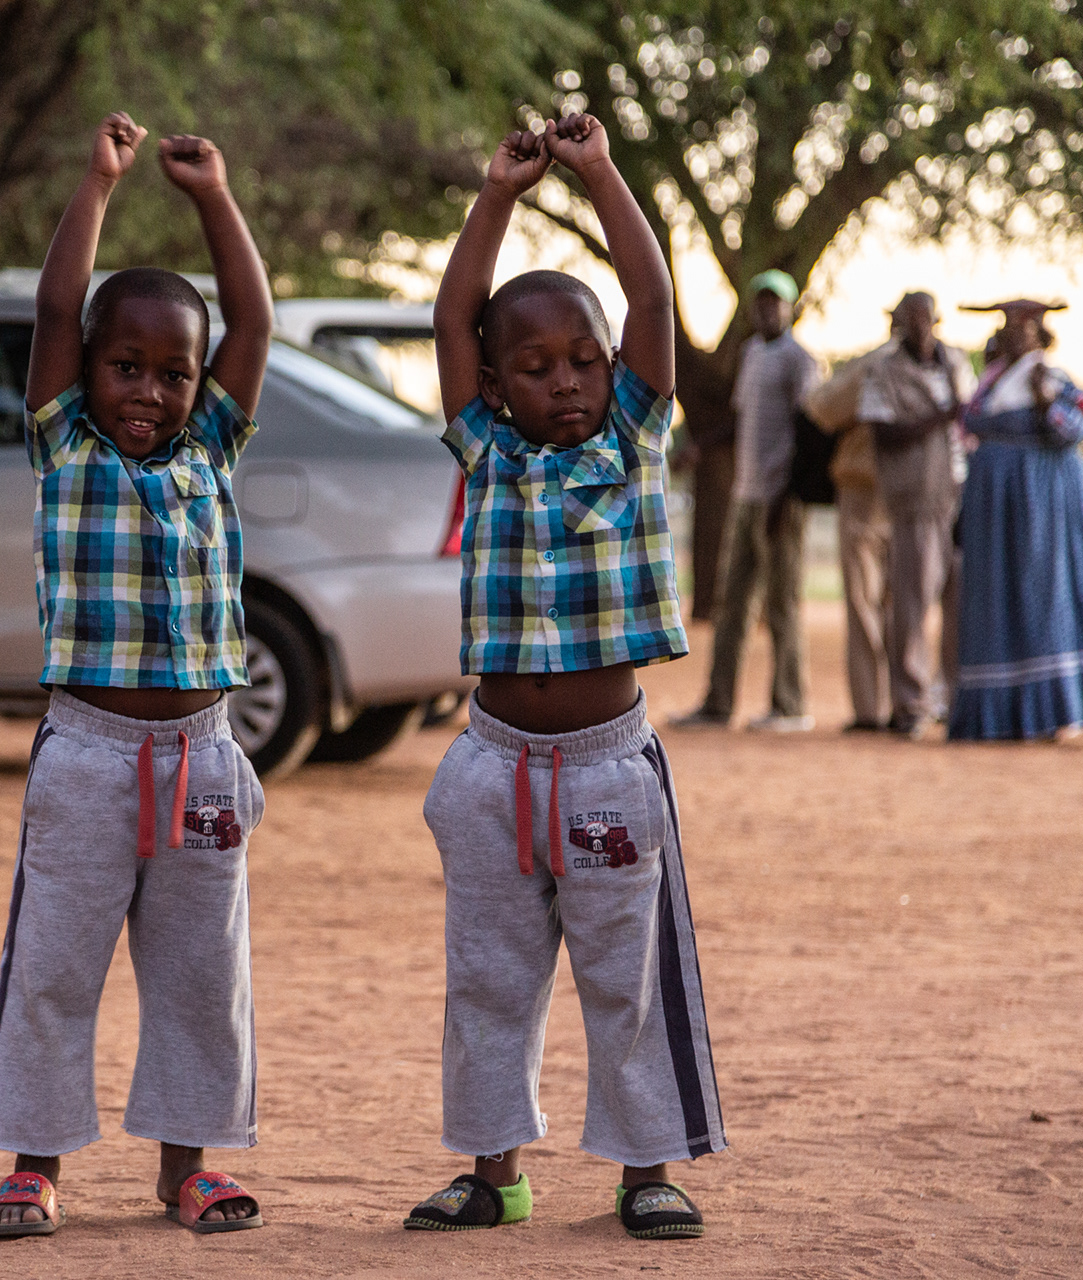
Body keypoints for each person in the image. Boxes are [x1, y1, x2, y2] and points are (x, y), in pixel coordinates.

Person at [404, 113, 724, 1241]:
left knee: (625, 977)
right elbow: (451, 314)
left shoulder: (633, 441)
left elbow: (652, 298)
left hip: (606, 767)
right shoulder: (484, 448)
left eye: (584, 360)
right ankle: (493, 1173)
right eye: (535, 368)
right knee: (489, 976)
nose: (568, 382)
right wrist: (496, 194)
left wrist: (598, 173)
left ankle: (647, 1171)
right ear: (494, 384)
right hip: (491, 765)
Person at [0, 112, 274, 1237]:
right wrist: (97, 184)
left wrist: (214, 197)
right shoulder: (64, 446)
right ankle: (34, 1164)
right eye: (125, 367)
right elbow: (56, 309)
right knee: (55, 967)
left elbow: (254, 319)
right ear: (88, 371)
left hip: (202, 756)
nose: (147, 390)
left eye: (173, 373)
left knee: (200, 974)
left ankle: (187, 1166)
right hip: (88, 755)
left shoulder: (211, 453)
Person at [948, 300, 1083, 740]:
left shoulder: (1051, 378)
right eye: (1006, 327)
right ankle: (1000, 716)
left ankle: (1055, 711)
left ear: (1038, 335)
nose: (1011, 335)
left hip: (1043, 504)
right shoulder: (990, 381)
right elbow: (969, 424)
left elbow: (1074, 427)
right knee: (995, 597)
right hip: (996, 508)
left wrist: (1046, 400)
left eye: (1021, 328)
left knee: (1043, 593)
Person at [672, 269, 818, 732]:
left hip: (780, 499)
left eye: (776, 302)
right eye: (761, 302)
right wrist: (700, 447)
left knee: (782, 602)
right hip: (746, 493)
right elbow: (741, 420)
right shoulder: (752, 353)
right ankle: (717, 703)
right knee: (730, 602)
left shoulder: (800, 360)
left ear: (791, 308)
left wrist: (785, 495)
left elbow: (807, 432)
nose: (767, 310)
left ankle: (790, 705)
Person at [857, 292, 975, 737]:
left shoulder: (956, 363)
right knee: (911, 606)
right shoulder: (884, 371)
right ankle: (910, 704)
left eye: (924, 318)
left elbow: (972, 420)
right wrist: (939, 417)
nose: (918, 326)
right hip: (914, 502)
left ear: (936, 320)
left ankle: (956, 700)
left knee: (960, 604)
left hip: (959, 498)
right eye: (909, 319)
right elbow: (882, 433)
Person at [802, 331, 893, 731]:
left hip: (866, 491)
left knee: (863, 599)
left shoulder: (875, 364)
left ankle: (872, 708)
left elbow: (821, 407)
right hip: (914, 493)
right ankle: (907, 702)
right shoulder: (943, 365)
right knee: (902, 603)